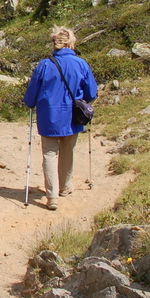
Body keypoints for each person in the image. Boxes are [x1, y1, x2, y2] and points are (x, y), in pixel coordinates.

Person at [23, 26, 98, 211]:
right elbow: (92, 92)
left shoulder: (44, 65)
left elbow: (30, 96)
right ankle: (65, 187)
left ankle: (52, 196)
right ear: (71, 42)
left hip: (49, 116)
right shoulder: (81, 64)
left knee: (49, 153)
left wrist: (30, 103)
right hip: (73, 116)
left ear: (54, 43)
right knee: (68, 151)